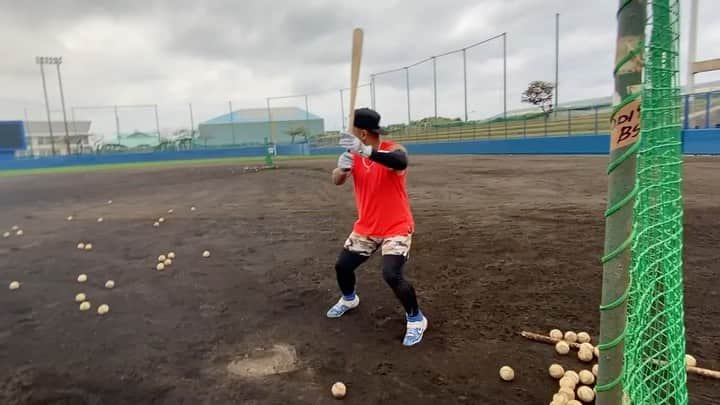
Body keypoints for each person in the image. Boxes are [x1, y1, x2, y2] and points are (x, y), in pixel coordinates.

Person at [327, 107, 427, 346]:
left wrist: (364, 151)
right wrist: (342, 169)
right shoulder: (353, 155)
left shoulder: (392, 149)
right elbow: (337, 181)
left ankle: (416, 318)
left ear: (361, 133)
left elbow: (400, 160)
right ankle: (349, 299)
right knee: (343, 266)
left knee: (391, 274)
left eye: (351, 129)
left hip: (396, 226)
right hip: (367, 227)